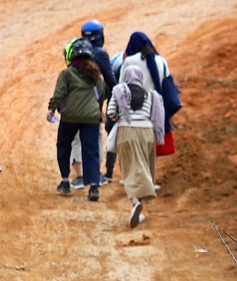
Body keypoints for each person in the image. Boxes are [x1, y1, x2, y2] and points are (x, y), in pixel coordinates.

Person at [49, 41, 107, 201]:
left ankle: (65, 182)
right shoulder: (96, 74)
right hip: (91, 118)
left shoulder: (67, 74)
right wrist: (97, 109)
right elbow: (101, 94)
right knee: (91, 150)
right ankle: (94, 186)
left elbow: (59, 93)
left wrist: (51, 109)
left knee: (64, 146)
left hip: (70, 117)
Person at [106, 58, 160, 229]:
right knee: (145, 165)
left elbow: (110, 113)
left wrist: (120, 117)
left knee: (129, 169)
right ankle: (142, 204)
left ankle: (135, 202)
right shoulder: (150, 94)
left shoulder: (119, 91)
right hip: (147, 133)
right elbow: (154, 115)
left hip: (127, 132)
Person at [121, 31, 182, 146]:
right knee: (153, 151)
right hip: (157, 110)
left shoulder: (130, 61)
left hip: (137, 111)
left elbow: (121, 87)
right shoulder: (161, 60)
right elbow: (167, 84)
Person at [76, 21, 118, 186]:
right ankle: (98, 175)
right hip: (92, 103)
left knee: (76, 139)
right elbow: (111, 81)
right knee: (95, 139)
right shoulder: (100, 54)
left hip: (75, 99)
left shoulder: (76, 50)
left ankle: (76, 176)